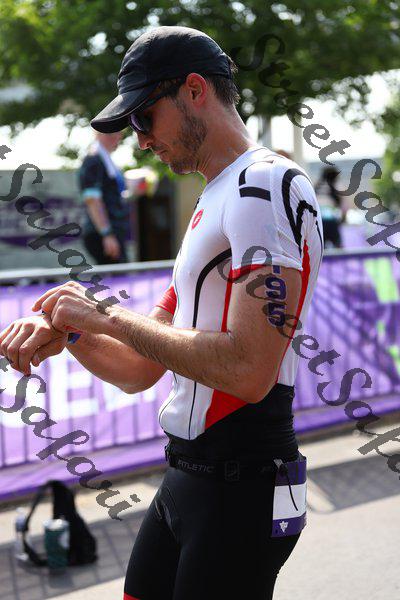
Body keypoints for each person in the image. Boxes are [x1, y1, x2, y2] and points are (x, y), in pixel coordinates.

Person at [0, 26, 324, 600]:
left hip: (243, 482)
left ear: (194, 90)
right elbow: (140, 368)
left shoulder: (264, 185)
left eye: (144, 117)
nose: (141, 140)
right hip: (190, 478)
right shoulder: (218, 195)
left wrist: (101, 317)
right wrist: (70, 329)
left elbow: (249, 371)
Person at [78, 131, 129, 264]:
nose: (117, 137)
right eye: (111, 133)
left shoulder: (104, 159)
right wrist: (107, 234)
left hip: (112, 232)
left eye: (118, 133)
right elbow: (92, 200)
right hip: (103, 234)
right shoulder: (93, 159)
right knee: (118, 275)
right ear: (98, 134)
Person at [314, 165, 344, 248]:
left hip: (319, 221)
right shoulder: (334, 186)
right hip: (332, 221)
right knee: (338, 248)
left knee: (321, 247)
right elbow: (341, 204)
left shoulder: (317, 186)